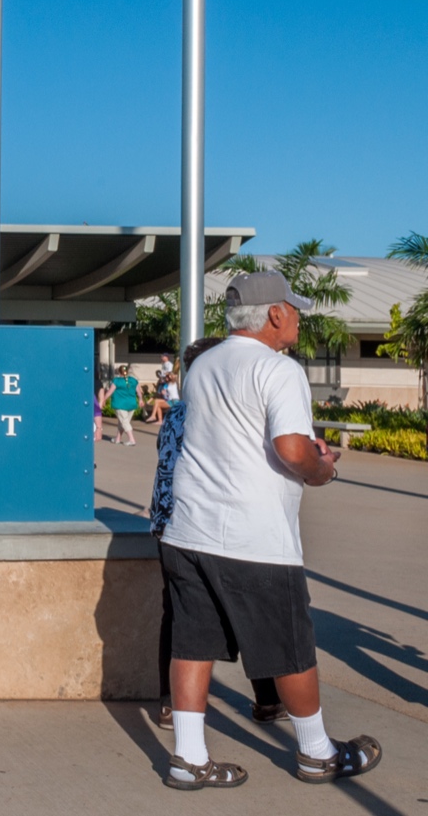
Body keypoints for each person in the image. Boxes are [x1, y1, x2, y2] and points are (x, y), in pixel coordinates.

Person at [158, 271, 382, 789]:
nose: (299, 317)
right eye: (294, 309)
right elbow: (289, 448)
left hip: (189, 529)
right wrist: (321, 466)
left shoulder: (203, 366)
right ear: (275, 314)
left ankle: (188, 759)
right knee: (291, 647)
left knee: (192, 643)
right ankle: (317, 753)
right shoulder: (278, 370)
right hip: (252, 535)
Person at [150, 336, 286, 732]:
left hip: (167, 525)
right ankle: (266, 700)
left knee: (176, 615)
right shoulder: (221, 416)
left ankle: (169, 704)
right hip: (213, 525)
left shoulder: (176, 413)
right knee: (247, 610)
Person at [105, 364, 140, 445]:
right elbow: (139, 392)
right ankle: (118, 438)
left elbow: (110, 392)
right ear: (127, 371)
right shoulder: (134, 380)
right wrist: (141, 400)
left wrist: (103, 400)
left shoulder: (116, 381)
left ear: (118, 372)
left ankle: (132, 439)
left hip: (120, 404)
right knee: (123, 422)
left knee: (124, 422)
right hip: (131, 404)